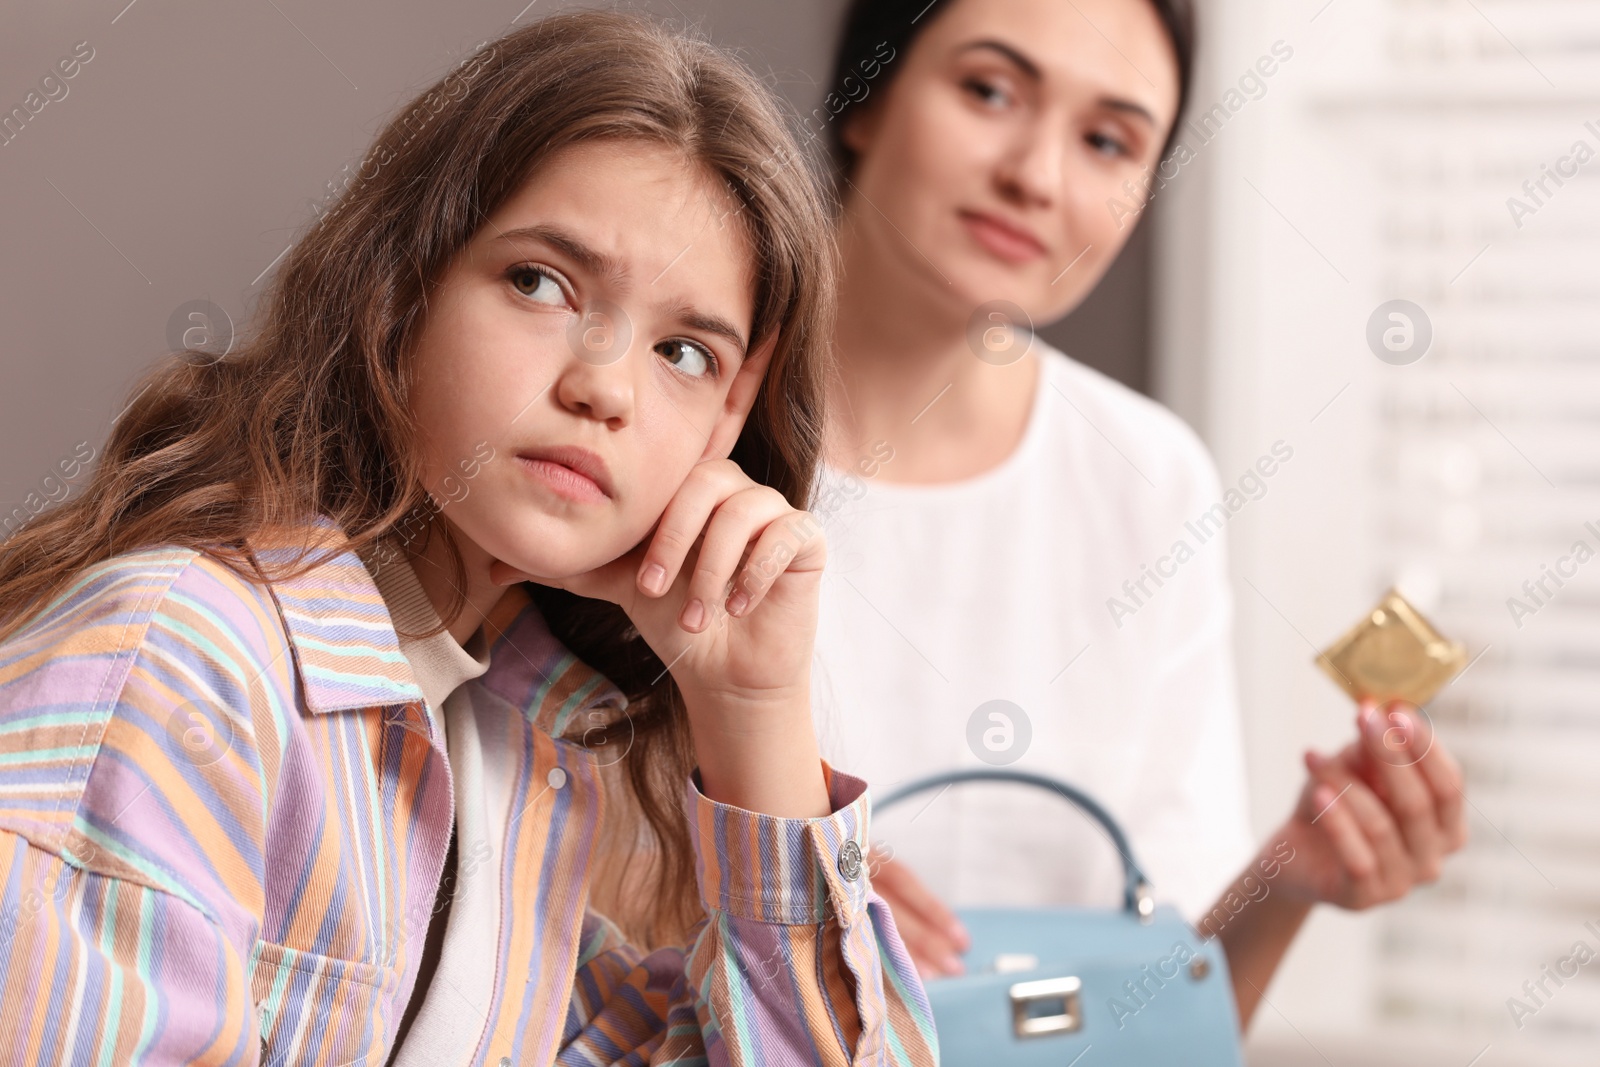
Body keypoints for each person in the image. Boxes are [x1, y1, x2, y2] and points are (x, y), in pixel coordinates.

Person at [0, 12, 938, 1065]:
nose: (605, 386)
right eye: (541, 283)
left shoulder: (507, 758)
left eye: (683, 352)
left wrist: (752, 708)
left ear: (725, 429)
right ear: (399, 297)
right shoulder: (179, 659)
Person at [809, 0, 1468, 1028]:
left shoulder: (1149, 483)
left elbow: (1154, 1027)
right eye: (988, 89)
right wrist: (767, 900)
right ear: (866, 94)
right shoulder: (662, 422)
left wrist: (1286, 880)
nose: (1037, 174)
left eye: (1107, 140)